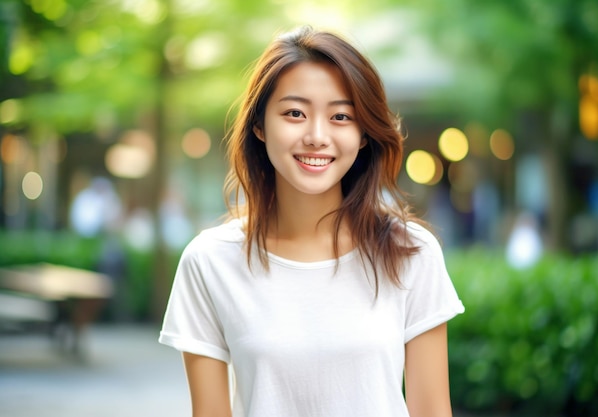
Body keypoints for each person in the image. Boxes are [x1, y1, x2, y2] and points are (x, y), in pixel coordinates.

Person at [159, 26, 465, 417]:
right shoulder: (209, 261)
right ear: (259, 126)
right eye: (294, 113)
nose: (317, 136)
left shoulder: (412, 252)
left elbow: (432, 411)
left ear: (364, 134)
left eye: (340, 116)